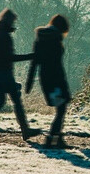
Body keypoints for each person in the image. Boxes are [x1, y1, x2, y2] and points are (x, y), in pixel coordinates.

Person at [0, 8, 43, 140]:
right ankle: (25, 130)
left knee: (1, 100)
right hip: (3, 71)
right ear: (8, 21)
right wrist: (31, 56)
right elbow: (9, 57)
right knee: (16, 101)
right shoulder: (4, 36)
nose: (14, 24)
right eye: (13, 21)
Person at [26, 14, 73, 148]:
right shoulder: (56, 39)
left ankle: (56, 138)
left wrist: (29, 81)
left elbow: (35, 61)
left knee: (61, 108)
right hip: (56, 80)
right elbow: (58, 65)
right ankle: (52, 138)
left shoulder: (40, 38)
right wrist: (64, 85)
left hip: (46, 79)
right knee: (61, 109)